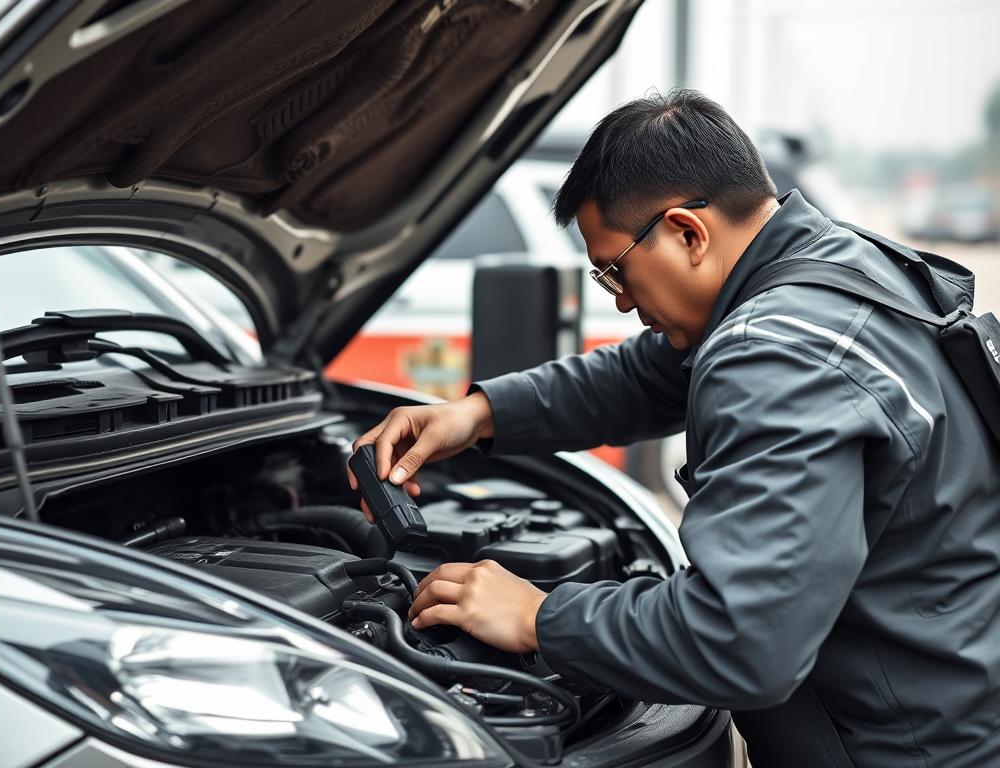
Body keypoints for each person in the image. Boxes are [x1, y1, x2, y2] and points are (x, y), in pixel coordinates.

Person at [346, 90, 1000, 767]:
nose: (623, 300)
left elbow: (741, 641)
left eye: (615, 272)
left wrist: (538, 616)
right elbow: (646, 374)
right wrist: (476, 416)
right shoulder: (837, 273)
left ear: (688, 232)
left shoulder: (775, 352)